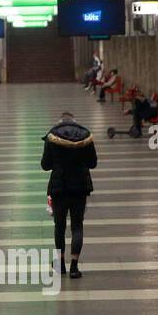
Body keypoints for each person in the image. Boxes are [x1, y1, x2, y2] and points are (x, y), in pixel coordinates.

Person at [41, 111, 98, 279]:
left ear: (60, 123)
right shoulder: (85, 136)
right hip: (80, 187)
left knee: (59, 226)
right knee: (77, 226)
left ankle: (60, 264)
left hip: (59, 187)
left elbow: (45, 165)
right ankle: (74, 266)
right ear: (75, 122)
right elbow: (93, 163)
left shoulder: (52, 137)